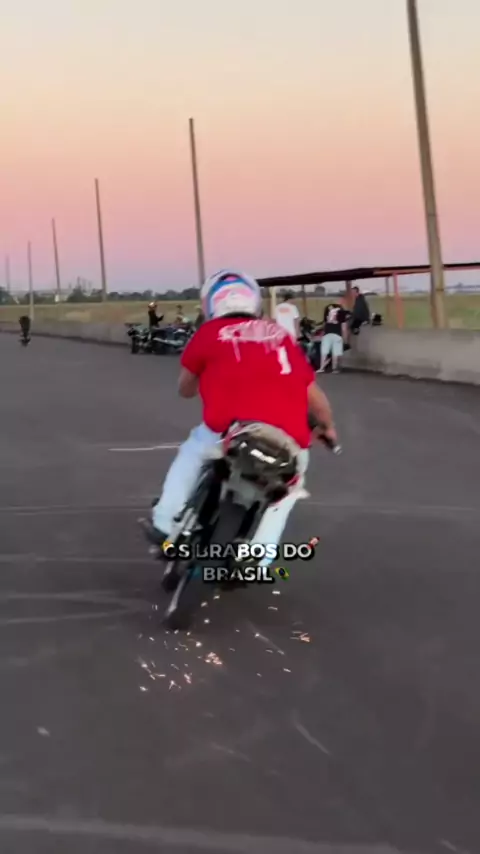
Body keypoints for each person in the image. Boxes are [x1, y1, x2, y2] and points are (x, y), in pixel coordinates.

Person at [141, 269, 337, 565]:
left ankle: (165, 521)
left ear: (211, 304)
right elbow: (315, 396)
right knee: (287, 491)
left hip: (228, 431)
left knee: (193, 451)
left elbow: (185, 389)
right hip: (286, 437)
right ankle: (258, 558)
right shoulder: (280, 336)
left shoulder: (209, 333)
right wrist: (328, 428)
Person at [318, 299, 348, 374]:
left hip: (327, 334)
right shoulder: (342, 312)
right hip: (337, 334)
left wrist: (322, 333)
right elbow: (344, 327)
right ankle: (334, 368)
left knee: (324, 352)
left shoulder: (327, 309)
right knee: (335, 352)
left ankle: (322, 368)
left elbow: (325, 323)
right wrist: (345, 338)